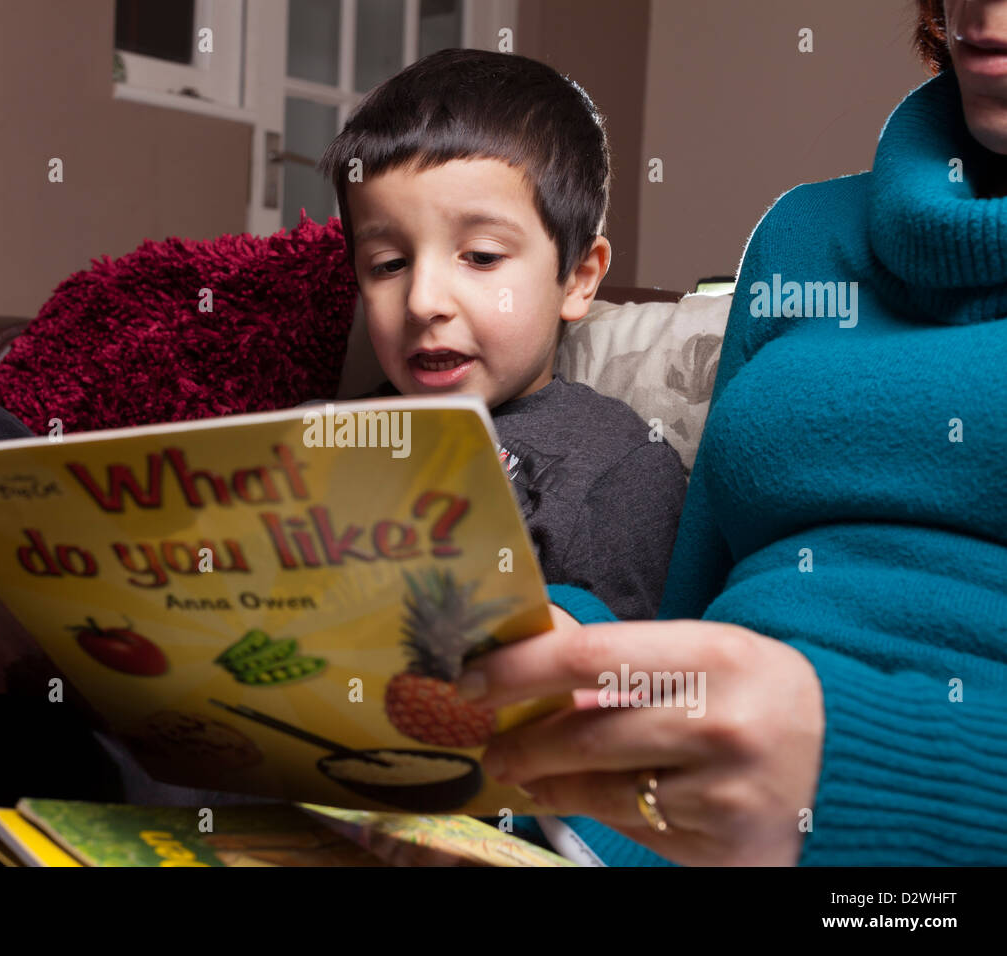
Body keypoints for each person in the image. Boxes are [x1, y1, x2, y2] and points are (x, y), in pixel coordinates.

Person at [452, 0, 1007, 865]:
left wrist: (848, 773)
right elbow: (696, 606)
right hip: (641, 822)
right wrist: (562, 644)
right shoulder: (800, 237)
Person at [316, 49, 687, 620]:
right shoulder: (330, 435)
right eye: (388, 264)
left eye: (482, 257)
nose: (422, 302)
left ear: (577, 280)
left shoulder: (617, 468)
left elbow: (621, 670)